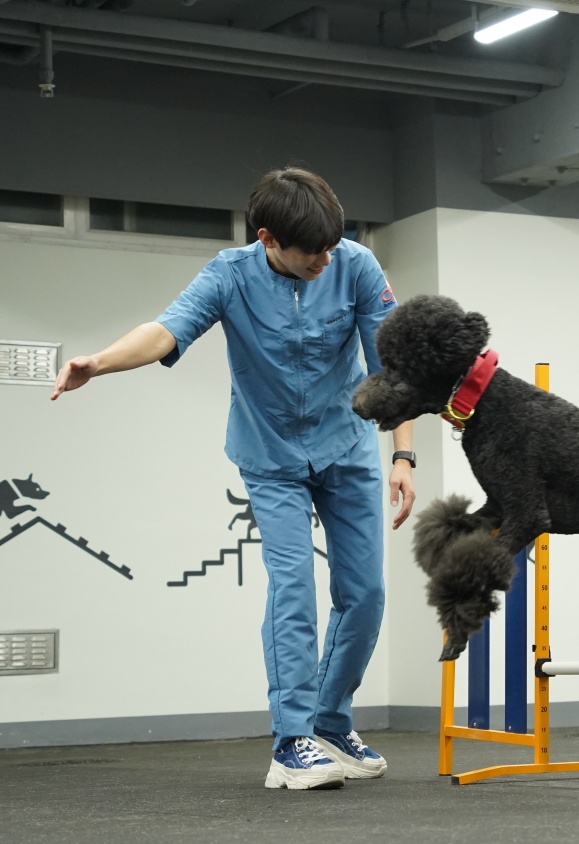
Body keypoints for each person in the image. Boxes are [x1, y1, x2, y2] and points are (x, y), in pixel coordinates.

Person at [50, 167, 415, 791]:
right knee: (293, 587)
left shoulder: (356, 266)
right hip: (270, 457)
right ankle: (292, 741)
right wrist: (99, 363)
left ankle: (330, 721)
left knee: (368, 595)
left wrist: (403, 457)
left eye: (332, 245)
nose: (325, 260)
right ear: (268, 237)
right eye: (311, 252)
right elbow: (165, 330)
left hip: (347, 448)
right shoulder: (228, 274)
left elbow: (394, 368)